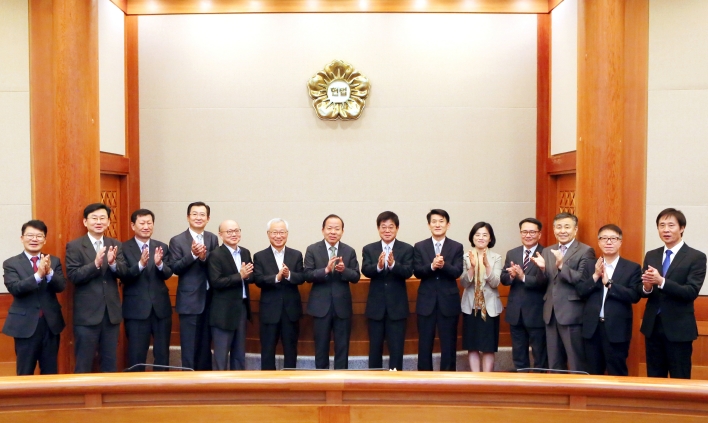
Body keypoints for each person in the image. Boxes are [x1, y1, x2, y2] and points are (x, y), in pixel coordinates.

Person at [640, 208, 706, 379]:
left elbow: (691, 292)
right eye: (662, 225)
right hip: (653, 326)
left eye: (671, 225)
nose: (666, 230)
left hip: (679, 328)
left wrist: (661, 281)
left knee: (680, 376)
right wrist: (647, 286)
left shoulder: (696, 257)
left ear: (682, 228)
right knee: (654, 377)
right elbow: (646, 291)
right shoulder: (651, 255)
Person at [65, 203, 127, 373]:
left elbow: (125, 274)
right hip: (87, 315)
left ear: (108, 222)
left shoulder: (115, 244)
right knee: (83, 362)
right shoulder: (75, 246)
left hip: (111, 314)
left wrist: (113, 263)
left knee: (110, 362)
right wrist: (95, 264)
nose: (98, 222)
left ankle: (110, 399)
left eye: (102, 218)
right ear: (85, 222)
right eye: (94, 218)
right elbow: (74, 276)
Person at [531, 212, 595, 372]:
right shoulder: (547, 251)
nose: (562, 230)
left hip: (572, 313)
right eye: (558, 227)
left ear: (575, 229)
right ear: (553, 229)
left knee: (575, 361)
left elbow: (583, 280)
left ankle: (578, 395)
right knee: (554, 362)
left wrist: (561, 266)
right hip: (550, 313)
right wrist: (542, 269)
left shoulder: (585, 251)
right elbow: (543, 282)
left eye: (567, 227)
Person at [576, 224, 641, 376]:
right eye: (604, 238)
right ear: (598, 242)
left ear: (620, 242)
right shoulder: (591, 265)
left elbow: (634, 296)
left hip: (617, 329)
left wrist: (609, 284)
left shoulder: (632, 268)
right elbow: (580, 291)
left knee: (617, 372)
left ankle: (619, 401)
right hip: (592, 328)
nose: (609, 242)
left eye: (613, 238)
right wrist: (595, 276)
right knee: (592, 373)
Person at [2, 220, 66, 375]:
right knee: (25, 371)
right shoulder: (11, 263)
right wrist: (38, 275)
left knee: (50, 371)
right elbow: (15, 288)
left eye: (39, 236)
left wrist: (49, 272)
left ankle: (50, 400)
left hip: (50, 324)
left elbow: (61, 287)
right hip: (25, 325)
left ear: (44, 240)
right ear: (22, 238)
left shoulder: (54, 261)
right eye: (30, 235)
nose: (34, 239)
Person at [304, 214, 360, 369]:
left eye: (337, 228)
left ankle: (341, 380)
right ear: (323, 230)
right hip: (320, 307)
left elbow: (355, 276)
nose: (333, 232)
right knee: (320, 347)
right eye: (329, 228)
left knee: (342, 347)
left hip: (342, 307)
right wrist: (326, 270)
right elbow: (307, 275)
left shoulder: (349, 251)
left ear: (342, 231)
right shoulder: (313, 249)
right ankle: (321, 381)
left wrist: (344, 270)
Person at [120, 209, 174, 371]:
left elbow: (168, 273)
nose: (146, 226)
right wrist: (140, 265)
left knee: (162, 354)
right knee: (137, 355)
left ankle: (162, 389)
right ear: (133, 225)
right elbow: (124, 276)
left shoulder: (161, 246)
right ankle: (135, 391)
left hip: (161, 309)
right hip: (136, 310)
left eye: (149, 223)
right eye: (142, 223)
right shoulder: (123, 247)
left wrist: (159, 264)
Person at [361, 211, 414, 370]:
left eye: (391, 227)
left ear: (397, 228)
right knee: (374, 347)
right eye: (383, 227)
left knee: (397, 348)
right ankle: (373, 379)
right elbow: (365, 270)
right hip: (376, 307)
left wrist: (392, 265)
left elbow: (408, 272)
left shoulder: (406, 249)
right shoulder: (369, 249)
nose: (387, 230)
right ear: (378, 229)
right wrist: (378, 266)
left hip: (397, 307)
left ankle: (396, 380)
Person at [169, 201, 218, 371]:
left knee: (206, 345)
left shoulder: (212, 238)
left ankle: (205, 382)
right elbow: (175, 267)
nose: (199, 217)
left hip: (210, 299)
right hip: (189, 301)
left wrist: (204, 256)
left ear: (208, 218)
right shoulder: (177, 240)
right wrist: (192, 255)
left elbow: (216, 264)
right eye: (195, 214)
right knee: (189, 346)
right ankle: (188, 380)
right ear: (188, 217)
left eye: (202, 214)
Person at [413, 209, 464, 371]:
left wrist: (443, 266)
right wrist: (431, 266)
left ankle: (449, 378)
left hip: (448, 302)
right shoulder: (420, 246)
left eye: (441, 221)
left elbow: (457, 271)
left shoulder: (456, 247)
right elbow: (417, 271)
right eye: (434, 221)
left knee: (449, 343)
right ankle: (423, 378)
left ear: (448, 225)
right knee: (424, 343)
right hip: (426, 302)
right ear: (429, 225)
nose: (437, 224)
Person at [253, 218, 305, 370]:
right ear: (268, 234)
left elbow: (302, 277)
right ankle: (268, 384)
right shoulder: (259, 256)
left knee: (291, 348)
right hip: (270, 311)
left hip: (291, 311)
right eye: (274, 232)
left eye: (282, 232)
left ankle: (291, 380)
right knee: (267, 349)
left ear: (287, 234)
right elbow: (258, 279)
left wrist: (289, 275)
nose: (278, 235)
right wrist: (276, 277)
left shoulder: (296, 255)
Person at [500, 218, 547, 370]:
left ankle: (540, 388)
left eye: (532, 232)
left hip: (537, 312)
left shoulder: (546, 254)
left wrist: (523, 277)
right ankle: (522, 384)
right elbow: (504, 279)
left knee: (540, 354)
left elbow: (545, 281)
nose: (528, 235)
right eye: (524, 232)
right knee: (519, 354)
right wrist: (512, 276)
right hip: (516, 312)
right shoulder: (512, 253)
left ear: (539, 234)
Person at [207, 220, 253, 370]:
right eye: (229, 231)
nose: (234, 234)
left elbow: (250, 276)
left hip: (241, 307)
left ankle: (238, 386)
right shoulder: (215, 255)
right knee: (221, 354)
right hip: (223, 311)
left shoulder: (245, 252)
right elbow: (216, 282)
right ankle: (219, 388)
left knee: (239, 352)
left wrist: (249, 275)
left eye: (236, 230)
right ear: (220, 235)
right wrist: (239, 275)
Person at [461, 222, 503, 372]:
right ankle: (475, 378)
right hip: (471, 306)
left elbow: (495, 283)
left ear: (490, 238)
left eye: (485, 235)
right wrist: (472, 267)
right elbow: (464, 283)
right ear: (472, 237)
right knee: (472, 345)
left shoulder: (496, 257)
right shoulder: (466, 256)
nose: (481, 238)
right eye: (477, 234)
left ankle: (487, 379)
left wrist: (487, 266)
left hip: (490, 307)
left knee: (488, 346)